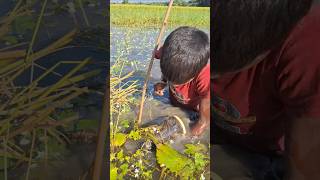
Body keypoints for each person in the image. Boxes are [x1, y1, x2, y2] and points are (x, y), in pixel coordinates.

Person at [212, 0, 320, 179]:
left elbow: (305, 167)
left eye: (217, 74)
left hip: (270, 154)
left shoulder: (308, 43)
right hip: (222, 138)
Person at [153, 26, 210, 137]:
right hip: (174, 101)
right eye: (171, 80)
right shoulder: (166, 52)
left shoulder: (204, 76)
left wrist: (188, 136)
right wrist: (163, 82)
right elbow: (159, 56)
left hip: (193, 111)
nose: (173, 84)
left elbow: (204, 122)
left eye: (179, 82)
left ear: (195, 73)